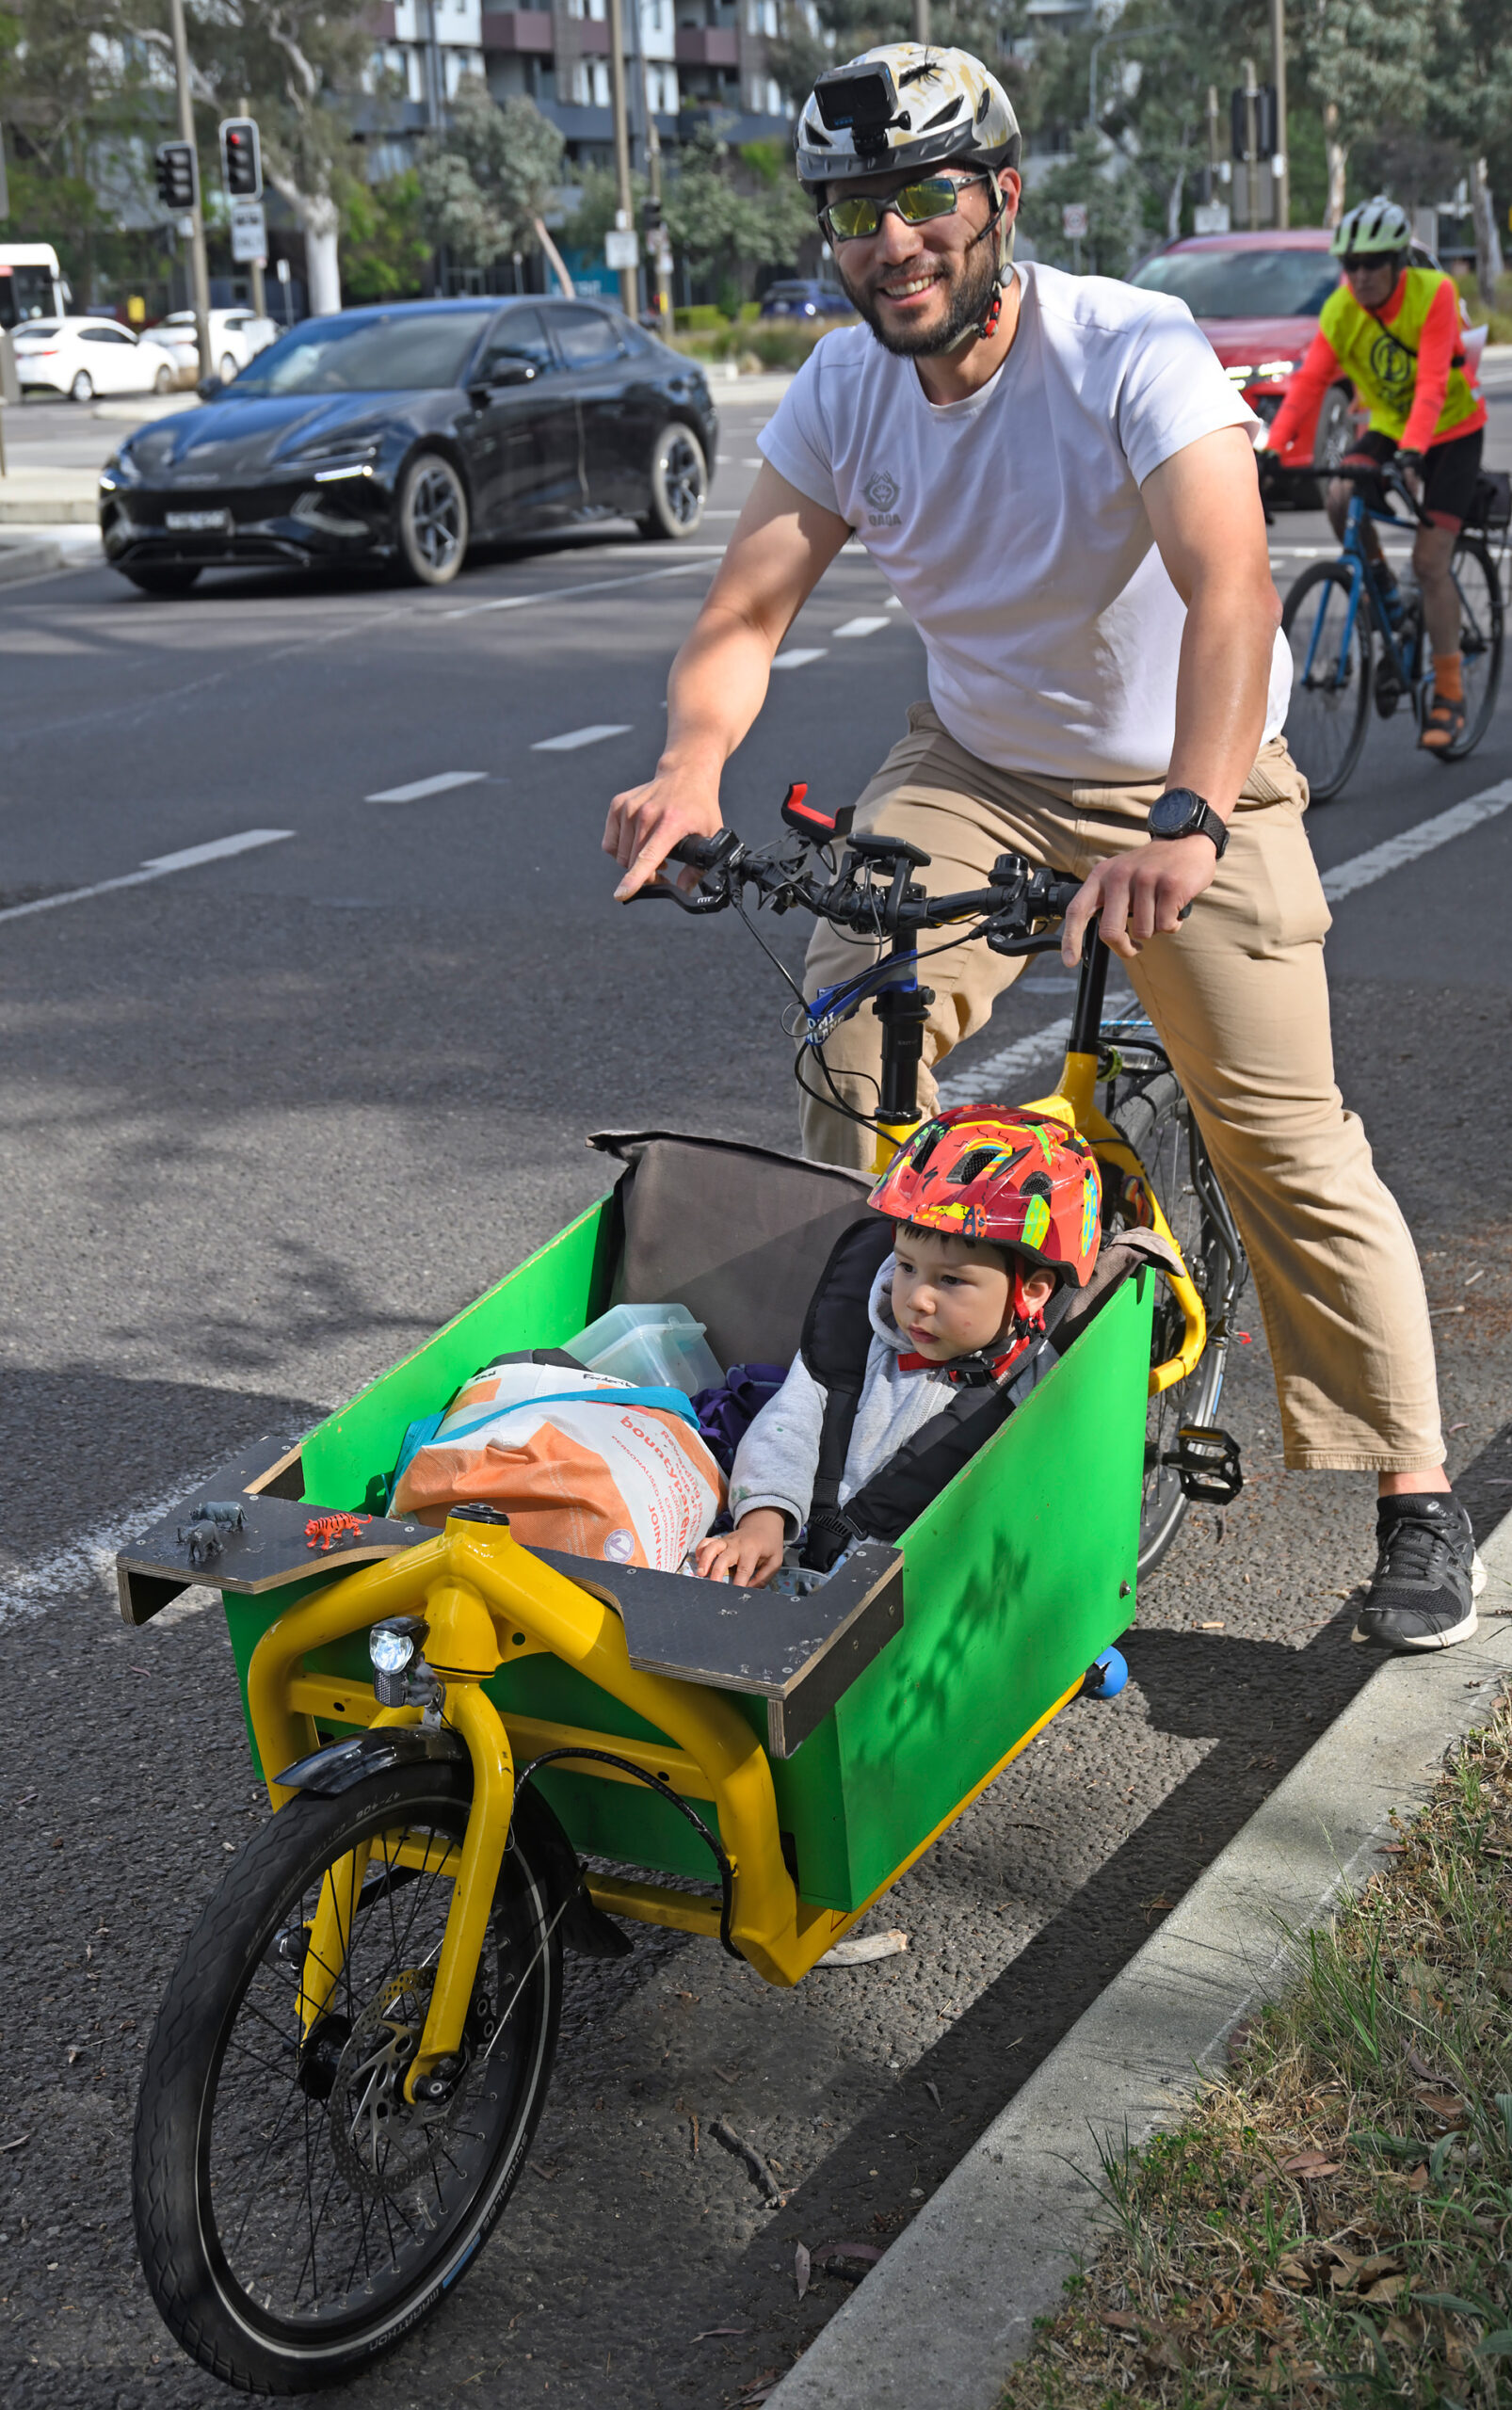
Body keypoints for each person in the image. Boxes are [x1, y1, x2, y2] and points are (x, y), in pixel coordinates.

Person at [603, 41, 1481, 1653]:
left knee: (1282, 1132)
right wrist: (689, 767)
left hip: (1195, 767)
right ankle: (907, 1390)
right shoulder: (845, 388)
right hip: (979, 760)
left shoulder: (1125, 348)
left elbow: (1228, 586)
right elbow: (744, 612)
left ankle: (1414, 1492)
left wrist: (1193, 814)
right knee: (849, 1039)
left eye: (925, 197)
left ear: (998, 199)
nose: (892, 241)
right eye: (856, 209)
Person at [696, 1108, 1099, 1587]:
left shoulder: (1037, 1390)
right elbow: (789, 1424)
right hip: (794, 1551)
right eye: (906, 1266)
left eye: (951, 1280)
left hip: (917, 1594)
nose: (916, 1299)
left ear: (1031, 1291)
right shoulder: (855, 1340)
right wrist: (761, 1518)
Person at [1260, 195, 1488, 750]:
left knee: (1431, 560)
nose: (1359, 276)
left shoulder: (1433, 294)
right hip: (1390, 423)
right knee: (1340, 496)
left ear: (1397, 263)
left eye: (1372, 264)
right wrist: (1270, 449)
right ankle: (1384, 592)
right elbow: (1309, 384)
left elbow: (1434, 382)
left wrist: (1414, 451)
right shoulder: (1341, 310)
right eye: (1350, 265)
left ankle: (1450, 694)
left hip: (1452, 429)